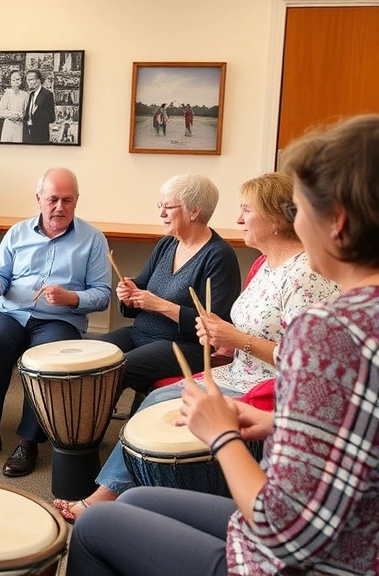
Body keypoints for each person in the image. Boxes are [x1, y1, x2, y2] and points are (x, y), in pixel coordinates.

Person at [66, 114, 379, 575]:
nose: (296, 220)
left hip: (290, 561)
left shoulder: (331, 329)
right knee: (134, 498)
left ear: (338, 221)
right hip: (339, 540)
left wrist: (222, 434)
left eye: (301, 206)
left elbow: (284, 529)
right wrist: (277, 420)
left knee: (97, 528)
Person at [55, 172, 338, 523]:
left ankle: (108, 494)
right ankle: (116, 485)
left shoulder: (305, 275)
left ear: (277, 219)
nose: (237, 219)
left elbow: (304, 361)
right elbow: (238, 326)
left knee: (159, 398)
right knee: (102, 365)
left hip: (262, 383)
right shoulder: (263, 264)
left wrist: (234, 339)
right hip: (234, 366)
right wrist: (224, 338)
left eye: (246, 210)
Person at [0, 167, 111, 477]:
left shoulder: (93, 239)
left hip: (59, 320)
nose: (60, 207)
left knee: (43, 360)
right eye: (53, 199)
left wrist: (71, 298)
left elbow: (103, 295)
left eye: (67, 200)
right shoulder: (17, 233)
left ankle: (28, 442)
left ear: (77, 201)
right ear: (39, 199)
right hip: (11, 314)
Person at [97, 174, 242, 396]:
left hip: (185, 345)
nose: (161, 214)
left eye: (168, 207)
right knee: (91, 357)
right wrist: (129, 292)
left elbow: (215, 325)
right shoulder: (167, 244)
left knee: (114, 369)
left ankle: (93, 429)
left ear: (194, 211)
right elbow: (142, 285)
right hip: (141, 333)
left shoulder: (219, 256)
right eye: (161, 206)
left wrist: (159, 304)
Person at [23, 69, 55, 144]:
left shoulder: (47, 94)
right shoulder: (31, 94)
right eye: (28, 80)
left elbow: (51, 118)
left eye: (32, 79)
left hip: (41, 135)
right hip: (29, 134)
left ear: (39, 80)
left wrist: (35, 116)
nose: (30, 82)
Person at [0, 70, 28, 143]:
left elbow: (27, 111)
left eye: (18, 79)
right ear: (10, 81)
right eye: (13, 79)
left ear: (21, 80)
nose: (16, 81)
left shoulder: (25, 95)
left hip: (19, 124)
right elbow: (0, 111)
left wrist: (20, 116)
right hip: (8, 124)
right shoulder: (8, 93)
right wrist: (11, 116)